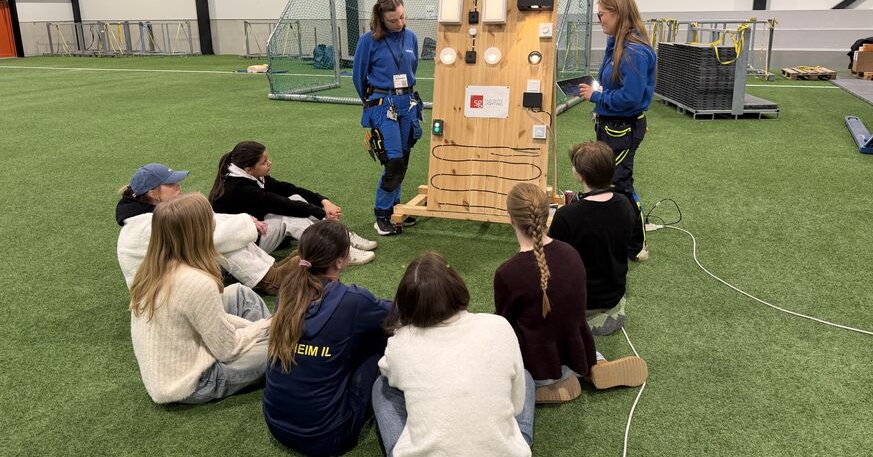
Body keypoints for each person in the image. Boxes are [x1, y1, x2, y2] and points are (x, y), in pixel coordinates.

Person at [497, 182, 647, 404]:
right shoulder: (571, 253)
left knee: (500, 348)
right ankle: (595, 365)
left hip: (541, 359)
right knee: (562, 323)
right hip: (578, 350)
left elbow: (506, 324)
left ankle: (548, 385)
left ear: (511, 218)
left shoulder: (508, 273)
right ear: (546, 213)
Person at [372, 253, 535, 457]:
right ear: (457, 287)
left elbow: (387, 373)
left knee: (381, 387)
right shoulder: (499, 326)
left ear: (406, 302)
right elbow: (517, 405)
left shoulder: (401, 342)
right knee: (525, 377)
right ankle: (517, 442)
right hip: (504, 451)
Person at [263, 220, 392, 457]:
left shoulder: (287, 290)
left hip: (275, 423)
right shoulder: (353, 300)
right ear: (341, 260)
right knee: (378, 337)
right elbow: (399, 313)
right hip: (327, 437)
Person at [129, 193, 271, 404]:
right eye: (210, 216)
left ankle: (273, 347)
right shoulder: (195, 282)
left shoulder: (152, 268)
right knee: (281, 348)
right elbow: (227, 350)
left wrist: (260, 328)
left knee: (240, 294)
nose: (215, 220)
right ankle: (282, 359)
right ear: (198, 230)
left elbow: (210, 317)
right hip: (192, 382)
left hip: (168, 372)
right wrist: (265, 327)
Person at [116, 163, 294, 295]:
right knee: (219, 241)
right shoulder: (149, 224)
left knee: (224, 234)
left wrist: (245, 220)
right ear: (153, 194)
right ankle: (272, 280)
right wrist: (245, 223)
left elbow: (209, 221)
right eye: (171, 184)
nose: (178, 186)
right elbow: (208, 237)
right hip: (159, 294)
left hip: (172, 280)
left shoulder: (155, 213)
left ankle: (271, 272)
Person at [579, 0, 656, 262]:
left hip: (622, 127)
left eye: (601, 14)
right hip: (612, 123)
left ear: (617, 14)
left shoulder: (634, 51)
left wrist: (597, 97)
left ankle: (637, 245)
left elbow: (631, 97)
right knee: (611, 181)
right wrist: (599, 101)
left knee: (620, 184)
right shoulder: (618, 43)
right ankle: (617, 236)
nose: (599, 19)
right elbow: (618, 86)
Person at [209, 141, 377, 265]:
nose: (269, 163)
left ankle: (343, 237)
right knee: (288, 217)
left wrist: (323, 201)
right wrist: (321, 212)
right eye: (264, 162)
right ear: (249, 169)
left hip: (253, 231)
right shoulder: (239, 188)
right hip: (240, 247)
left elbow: (286, 189)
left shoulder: (245, 172)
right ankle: (339, 251)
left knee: (295, 198)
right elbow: (281, 205)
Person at [549, 142, 644, 335]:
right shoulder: (627, 203)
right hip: (615, 292)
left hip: (581, 300)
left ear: (579, 174)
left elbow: (550, 261)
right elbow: (634, 244)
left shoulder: (567, 216)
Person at [351, 0, 423, 236]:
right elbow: (358, 78)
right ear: (381, 19)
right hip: (382, 104)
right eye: (393, 20)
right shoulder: (368, 41)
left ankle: (396, 208)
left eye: (402, 17)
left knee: (403, 158)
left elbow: (412, 68)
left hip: (408, 102)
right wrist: (374, 103)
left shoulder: (411, 38)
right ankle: (382, 214)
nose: (399, 23)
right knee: (392, 160)